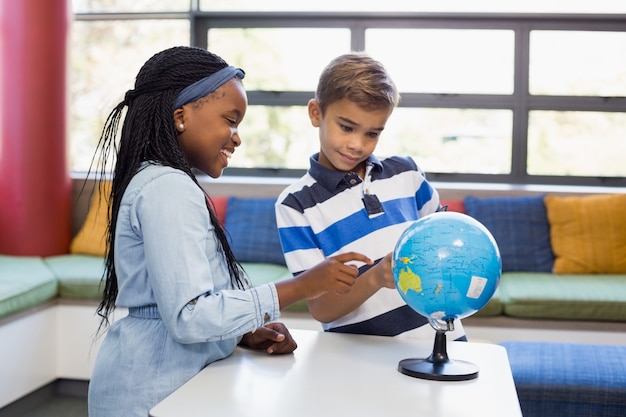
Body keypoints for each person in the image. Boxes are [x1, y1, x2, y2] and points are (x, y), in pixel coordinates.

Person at [86, 46, 371, 417]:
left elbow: (183, 302)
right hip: (149, 397)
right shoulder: (167, 188)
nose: (237, 138)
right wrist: (302, 286)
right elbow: (189, 315)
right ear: (180, 116)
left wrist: (242, 330)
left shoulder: (164, 183)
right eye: (231, 120)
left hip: (168, 390)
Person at [275, 52, 467, 341]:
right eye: (347, 127)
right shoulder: (295, 205)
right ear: (316, 113)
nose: (357, 144)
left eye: (372, 133)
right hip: (361, 364)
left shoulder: (408, 174)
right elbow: (322, 308)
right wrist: (375, 278)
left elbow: (444, 249)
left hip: (442, 345)